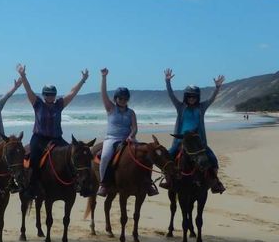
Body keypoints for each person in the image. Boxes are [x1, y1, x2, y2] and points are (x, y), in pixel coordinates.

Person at [17, 64, 89, 197]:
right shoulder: (37, 103)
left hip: (56, 139)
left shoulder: (59, 105)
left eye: (53, 94)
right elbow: (29, 90)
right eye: (48, 94)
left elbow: (72, 93)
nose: (50, 96)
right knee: (33, 159)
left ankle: (77, 183)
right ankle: (32, 187)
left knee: (73, 155)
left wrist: (83, 80)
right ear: (44, 95)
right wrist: (23, 76)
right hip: (39, 138)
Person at [96, 68, 156, 197]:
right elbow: (103, 94)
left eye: (125, 98)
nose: (123, 100)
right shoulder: (110, 108)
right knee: (105, 157)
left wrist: (131, 136)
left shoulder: (131, 112)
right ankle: (103, 184)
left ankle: (148, 183)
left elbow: (134, 127)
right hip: (112, 138)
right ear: (116, 99)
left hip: (128, 138)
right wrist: (104, 77)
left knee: (146, 155)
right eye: (120, 98)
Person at [164, 69, 226, 193]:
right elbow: (171, 95)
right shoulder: (180, 107)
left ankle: (215, 183)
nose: (191, 98)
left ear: (197, 97)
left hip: (198, 142)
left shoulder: (201, 107)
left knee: (213, 160)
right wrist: (167, 82)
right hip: (180, 140)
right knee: (167, 159)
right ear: (186, 97)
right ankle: (169, 181)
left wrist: (217, 88)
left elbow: (211, 99)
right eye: (189, 96)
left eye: (194, 96)